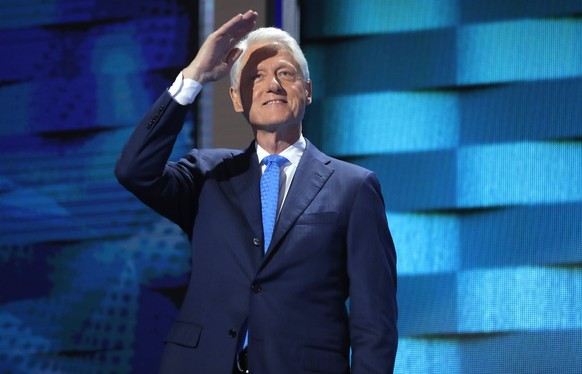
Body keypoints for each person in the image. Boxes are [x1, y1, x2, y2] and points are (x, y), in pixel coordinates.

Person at [115, 10, 397, 374]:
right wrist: (194, 77)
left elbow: (374, 321)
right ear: (236, 98)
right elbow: (133, 170)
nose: (272, 85)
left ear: (307, 91)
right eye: (256, 76)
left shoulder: (353, 187)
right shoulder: (208, 175)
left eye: (285, 73)